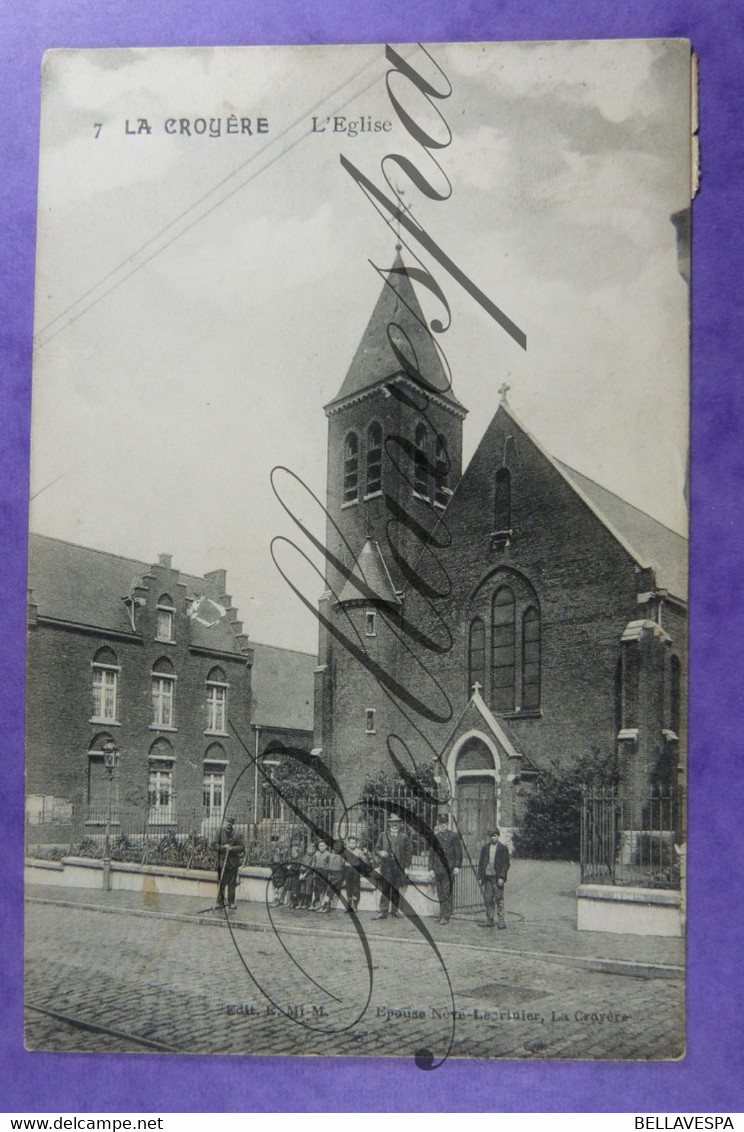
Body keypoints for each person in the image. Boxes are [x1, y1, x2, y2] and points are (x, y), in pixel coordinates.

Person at [372, 813, 412, 920]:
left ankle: (395, 911)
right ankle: (383, 911)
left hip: (399, 867)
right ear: (389, 824)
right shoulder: (382, 835)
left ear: (400, 824)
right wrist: (381, 853)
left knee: (396, 889)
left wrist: (407, 867)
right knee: (385, 888)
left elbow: (408, 853)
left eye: (397, 823)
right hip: (386, 867)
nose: (395, 825)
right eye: (393, 823)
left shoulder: (404, 836)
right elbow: (376, 849)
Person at [428, 811, 462, 925]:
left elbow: (458, 853)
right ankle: (443, 914)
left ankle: (445, 916)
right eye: (441, 823)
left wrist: (457, 866)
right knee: (440, 893)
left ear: (448, 824)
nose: (443, 826)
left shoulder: (454, 836)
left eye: (445, 823)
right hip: (438, 869)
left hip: (449, 869)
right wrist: (430, 868)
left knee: (447, 892)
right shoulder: (436, 837)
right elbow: (431, 854)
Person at [476, 826, 510, 929]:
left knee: (499, 899)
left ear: (498, 836)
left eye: (494, 836)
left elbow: (506, 864)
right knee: (488, 899)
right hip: (487, 877)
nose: (492, 838)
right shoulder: (485, 848)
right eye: (491, 836)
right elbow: (481, 863)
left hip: (497, 877)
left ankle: (501, 921)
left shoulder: (503, 848)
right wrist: (480, 876)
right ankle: (490, 919)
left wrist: (502, 877)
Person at [216, 816, 245, 910]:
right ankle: (220, 901)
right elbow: (214, 845)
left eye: (231, 822)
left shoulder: (237, 834)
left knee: (232, 883)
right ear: (225, 822)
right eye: (227, 822)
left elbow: (242, 847)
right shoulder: (219, 832)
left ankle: (231, 902)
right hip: (222, 861)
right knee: (221, 882)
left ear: (233, 824)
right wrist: (224, 847)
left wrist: (232, 848)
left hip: (232, 862)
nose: (229, 824)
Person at [342, 834, 372, 913]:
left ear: (356, 843)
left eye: (354, 843)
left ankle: (355, 905)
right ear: (348, 843)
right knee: (348, 887)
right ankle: (349, 905)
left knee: (356, 888)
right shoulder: (345, 851)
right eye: (351, 842)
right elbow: (342, 861)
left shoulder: (359, 852)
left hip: (356, 871)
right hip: (348, 870)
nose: (352, 844)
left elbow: (365, 860)